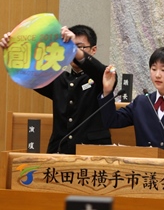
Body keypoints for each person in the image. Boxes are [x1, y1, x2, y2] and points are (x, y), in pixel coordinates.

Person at [0, 25, 113, 154]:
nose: (73, 51)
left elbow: (101, 73)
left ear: (93, 50)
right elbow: (30, 74)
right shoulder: (59, 79)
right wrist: (12, 49)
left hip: (93, 155)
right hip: (60, 153)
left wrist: (75, 51)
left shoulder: (103, 77)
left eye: (80, 46)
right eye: (70, 46)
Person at [99, 46, 164, 159]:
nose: (157, 75)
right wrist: (107, 91)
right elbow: (111, 121)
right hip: (146, 170)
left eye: (163, 70)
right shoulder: (142, 102)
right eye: (154, 69)